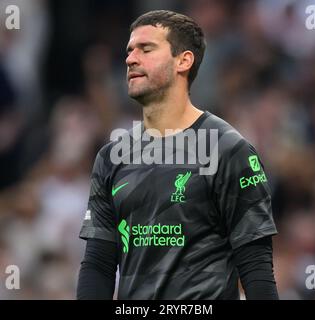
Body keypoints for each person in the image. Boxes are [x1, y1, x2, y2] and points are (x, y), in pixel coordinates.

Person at [77, 10, 279, 300]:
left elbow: (256, 268)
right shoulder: (111, 158)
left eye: (146, 49)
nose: (130, 59)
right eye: (130, 50)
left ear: (183, 61)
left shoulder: (228, 151)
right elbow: (98, 264)